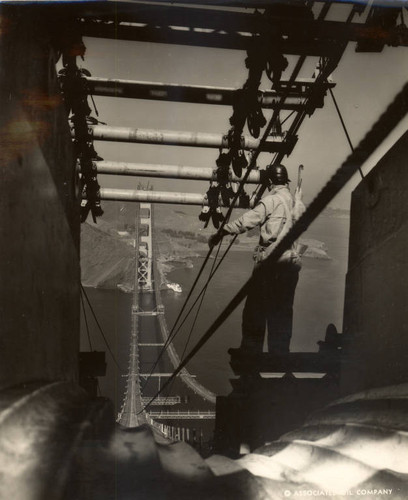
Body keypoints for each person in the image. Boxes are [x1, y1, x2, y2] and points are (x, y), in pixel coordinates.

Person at [208, 164, 304, 355]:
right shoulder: (298, 203)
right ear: (285, 181)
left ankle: (250, 351)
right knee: (282, 312)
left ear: (269, 182)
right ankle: (280, 353)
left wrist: (221, 232)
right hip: (291, 265)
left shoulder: (271, 201)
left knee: (255, 310)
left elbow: (246, 221)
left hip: (270, 265)